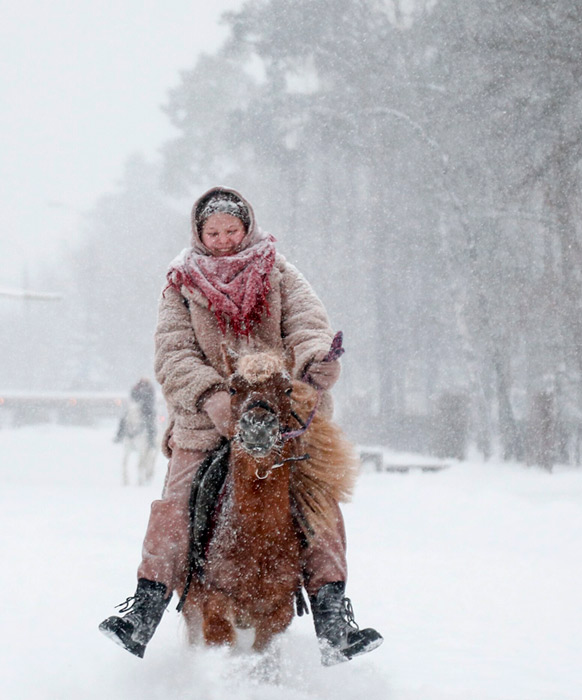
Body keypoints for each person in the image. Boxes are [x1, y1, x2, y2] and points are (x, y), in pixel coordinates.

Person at [99, 187, 382, 664]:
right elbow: (173, 353)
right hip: (207, 420)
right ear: (199, 233)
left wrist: (316, 360)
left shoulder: (279, 271)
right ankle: (145, 606)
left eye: (231, 230)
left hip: (281, 413)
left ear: (246, 227)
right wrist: (211, 397)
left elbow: (308, 325)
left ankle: (333, 617)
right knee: (175, 504)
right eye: (213, 232)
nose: (224, 240)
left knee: (320, 503)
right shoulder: (180, 285)